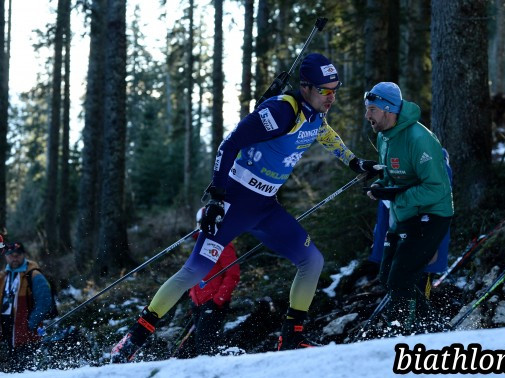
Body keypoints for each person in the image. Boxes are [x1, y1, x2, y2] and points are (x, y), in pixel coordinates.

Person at [111, 52, 380, 362]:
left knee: (312, 261)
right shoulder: (280, 112)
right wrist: (216, 197)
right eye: (325, 90)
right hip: (235, 204)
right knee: (192, 272)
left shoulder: (315, 114)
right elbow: (230, 144)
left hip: (266, 207)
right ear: (305, 86)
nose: (331, 97)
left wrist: (355, 162)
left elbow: (325, 134)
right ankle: (133, 340)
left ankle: (291, 340)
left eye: (335, 89)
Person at [363, 82, 454, 335]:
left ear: (388, 110)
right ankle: (434, 329)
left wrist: (398, 195)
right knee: (386, 276)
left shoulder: (419, 139)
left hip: (433, 214)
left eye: (372, 109)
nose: (367, 115)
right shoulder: (384, 137)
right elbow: (391, 176)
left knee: (401, 277)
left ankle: (401, 332)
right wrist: (380, 186)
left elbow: (438, 188)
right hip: (405, 213)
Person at [179, 208, 240, 357]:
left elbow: (233, 274)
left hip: (213, 302)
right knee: (196, 344)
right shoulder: (198, 243)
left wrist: (218, 299)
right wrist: (192, 296)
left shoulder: (224, 244)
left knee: (205, 343)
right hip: (198, 303)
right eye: (202, 223)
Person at [0, 239, 54, 372]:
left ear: (24, 254)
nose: (14, 257)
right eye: (11, 254)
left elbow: (45, 303)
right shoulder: (2, 277)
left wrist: (30, 324)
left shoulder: (34, 275)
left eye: (18, 254)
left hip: (26, 335)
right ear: (5, 256)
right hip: (5, 332)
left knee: (25, 371)